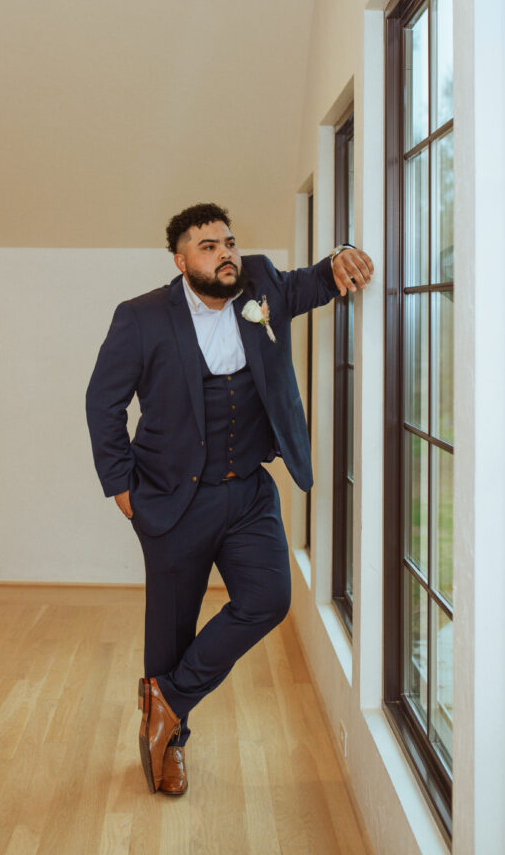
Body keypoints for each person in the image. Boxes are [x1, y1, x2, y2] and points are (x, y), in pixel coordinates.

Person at [85, 202, 373, 797]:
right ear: (181, 259)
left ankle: (166, 698)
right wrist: (121, 490)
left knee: (269, 598)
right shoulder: (141, 318)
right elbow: (103, 404)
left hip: (247, 493)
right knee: (169, 632)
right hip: (170, 501)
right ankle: (170, 746)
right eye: (209, 246)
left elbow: (315, 281)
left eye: (230, 242)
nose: (226, 254)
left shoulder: (261, 283)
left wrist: (341, 255)